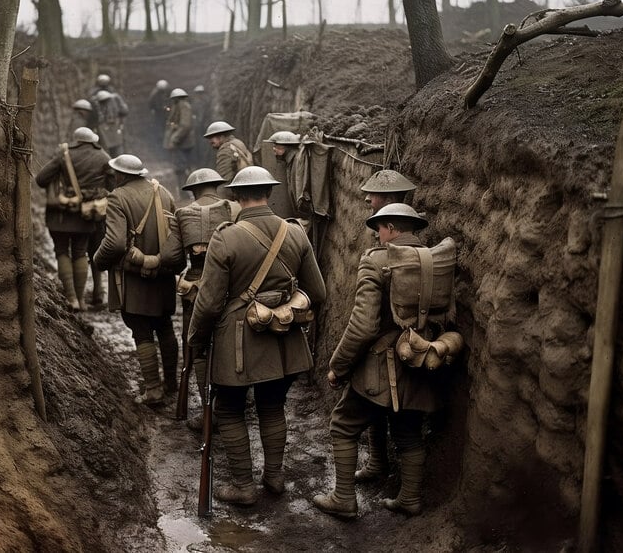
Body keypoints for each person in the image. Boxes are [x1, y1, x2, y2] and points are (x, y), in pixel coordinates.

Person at [187, 166, 326, 506]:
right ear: (270, 193)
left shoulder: (226, 236)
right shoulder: (295, 233)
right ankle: (275, 477)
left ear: (235, 196)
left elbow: (207, 304)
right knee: (272, 405)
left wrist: (196, 339)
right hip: (285, 340)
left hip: (238, 341)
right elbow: (318, 293)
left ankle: (242, 486)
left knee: (232, 409)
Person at [312, 203, 454, 519]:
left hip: (380, 365)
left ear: (390, 228)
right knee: (408, 431)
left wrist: (339, 365)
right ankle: (409, 499)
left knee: (343, 425)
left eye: (379, 229)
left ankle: (344, 499)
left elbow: (363, 326)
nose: (377, 235)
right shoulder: (435, 261)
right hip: (420, 361)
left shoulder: (377, 261)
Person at [94, 154, 179, 406]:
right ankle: (172, 384)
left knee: (141, 332)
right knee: (164, 326)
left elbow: (115, 242)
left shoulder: (117, 197)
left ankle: (153, 389)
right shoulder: (163, 192)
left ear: (121, 176)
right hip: (162, 273)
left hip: (134, 277)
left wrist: (98, 261)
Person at [353, 168, 418, 483]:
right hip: (405, 346)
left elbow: (368, 319)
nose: (367, 199)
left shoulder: (392, 249)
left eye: (373, 195)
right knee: (390, 415)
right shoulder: (413, 238)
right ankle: (379, 464)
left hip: (385, 346)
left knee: (355, 417)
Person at [162, 168, 240, 429]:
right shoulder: (234, 209)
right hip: (232, 286)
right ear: (217, 187)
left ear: (193, 191)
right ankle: (228, 404)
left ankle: (209, 409)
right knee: (231, 344)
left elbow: (171, 259)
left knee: (197, 346)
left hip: (196, 290)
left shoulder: (182, 214)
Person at [35, 127, 114, 311]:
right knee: (80, 253)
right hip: (86, 216)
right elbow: (112, 185)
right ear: (92, 141)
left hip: (60, 216)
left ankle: (71, 299)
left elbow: (41, 179)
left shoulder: (65, 154)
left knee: (62, 251)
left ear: (76, 140)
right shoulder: (102, 156)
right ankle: (82, 301)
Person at [203, 121, 253, 198]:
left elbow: (224, 179)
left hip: (235, 193)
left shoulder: (225, 150)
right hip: (245, 188)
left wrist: (219, 201)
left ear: (222, 136)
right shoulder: (237, 143)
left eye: (212, 137)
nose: (210, 141)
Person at [164, 88, 194, 187]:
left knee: (182, 168)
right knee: (181, 168)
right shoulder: (178, 106)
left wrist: (174, 139)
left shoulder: (183, 106)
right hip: (182, 143)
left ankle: (185, 192)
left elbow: (185, 125)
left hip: (182, 143)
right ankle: (185, 192)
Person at [94, 89, 129, 157]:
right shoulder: (97, 105)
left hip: (115, 126)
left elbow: (124, 111)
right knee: (107, 146)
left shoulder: (115, 100)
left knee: (119, 145)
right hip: (105, 128)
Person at [148, 79, 170, 145]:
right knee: (159, 125)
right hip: (158, 112)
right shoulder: (155, 94)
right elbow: (152, 104)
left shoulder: (164, 93)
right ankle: (159, 140)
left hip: (163, 112)